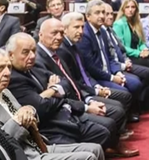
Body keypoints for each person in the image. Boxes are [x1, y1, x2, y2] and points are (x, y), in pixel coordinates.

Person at [0, 48, 105, 160]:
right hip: (24, 154)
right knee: (88, 157)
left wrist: (30, 110)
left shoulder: (5, 91)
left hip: (39, 144)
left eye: (9, 67)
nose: (7, 73)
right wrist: (18, 120)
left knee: (96, 149)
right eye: (0, 68)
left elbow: (30, 114)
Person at [4, 33, 113, 150]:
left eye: (34, 51)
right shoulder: (14, 78)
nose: (32, 56)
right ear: (11, 55)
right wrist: (53, 92)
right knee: (96, 142)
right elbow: (41, 107)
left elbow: (65, 82)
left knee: (103, 131)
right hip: (50, 128)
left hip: (65, 115)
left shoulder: (32, 67)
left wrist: (50, 91)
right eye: (25, 52)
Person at [37, 18, 132, 147]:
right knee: (110, 120)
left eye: (61, 33)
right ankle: (108, 148)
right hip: (65, 111)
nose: (59, 37)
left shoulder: (56, 53)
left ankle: (110, 147)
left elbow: (70, 82)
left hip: (79, 98)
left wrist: (88, 99)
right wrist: (86, 106)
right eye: (54, 33)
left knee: (117, 108)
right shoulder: (40, 59)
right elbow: (61, 91)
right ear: (40, 34)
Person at [76, 1, 144, 105]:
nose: (102, 16)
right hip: (97, 78)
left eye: (103, 12)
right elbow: (91, 68)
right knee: (125, 92)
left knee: (135, 82)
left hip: (109, 72)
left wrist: (117, 72)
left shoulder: (103, 31)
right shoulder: (85, 35)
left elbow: (110, 57)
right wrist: (112, 78)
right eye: (97, 13)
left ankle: (134, 110)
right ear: (88, 17)